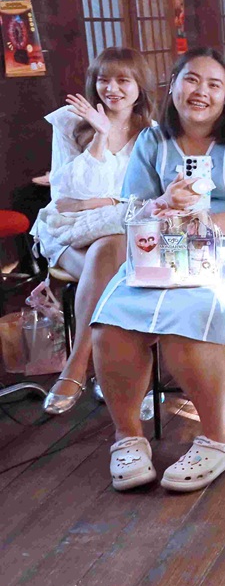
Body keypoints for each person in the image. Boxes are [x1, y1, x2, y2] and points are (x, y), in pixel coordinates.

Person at [94, 48, 225, 492]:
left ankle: (219, 439)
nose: (200, 91)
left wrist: (211, 224)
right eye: (191, 79)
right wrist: (164, 203)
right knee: (110, 322)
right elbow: (133, 212)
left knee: (186, 322)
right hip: (164, 251)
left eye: (214, 84)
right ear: (173, 85)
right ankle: (127, 438)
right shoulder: (152, 140)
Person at [33, 47, 155, 415]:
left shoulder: (151, 133)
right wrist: (101, 136)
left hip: (117, 234)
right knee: (120, 275)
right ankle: (110, 375)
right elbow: (67, 195)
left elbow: (147, 197)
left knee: (110, 253)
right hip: (67, 229)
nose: (112, 88)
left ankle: (80, 367)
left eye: (123, 80)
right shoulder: (70, 121)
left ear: (140, 86)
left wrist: (104, 202)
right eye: (104, 80)